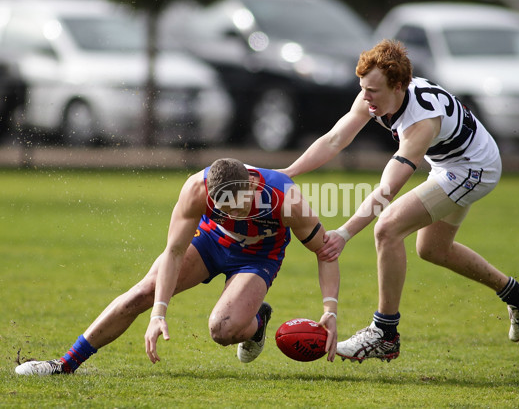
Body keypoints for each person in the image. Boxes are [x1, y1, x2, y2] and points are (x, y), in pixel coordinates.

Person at [280, 39, 519, 362]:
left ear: (399, 86)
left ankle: (385, 333)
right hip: (451, 163)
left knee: (388, 227)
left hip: (475, 167)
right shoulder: (374, 95)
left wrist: (345, 234)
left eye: (373, 91)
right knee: (432, 249)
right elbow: (335, 139)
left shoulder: (420, 121)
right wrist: (288, 172)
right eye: (363, 88)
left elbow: (386, 190)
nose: (366, 98)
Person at [15, 158, 339, 375]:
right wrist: (159, 312)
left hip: (258, 257)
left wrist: (330, 308)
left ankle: (257, 321)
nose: (232, 214)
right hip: (210, 244)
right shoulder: (197, 189)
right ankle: (65, 364)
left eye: (237, 207)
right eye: (221, 207)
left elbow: (324, 252)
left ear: (253, 188)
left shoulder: (286, 197)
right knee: (140, 294)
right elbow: (173, 251)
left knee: (223, 330)